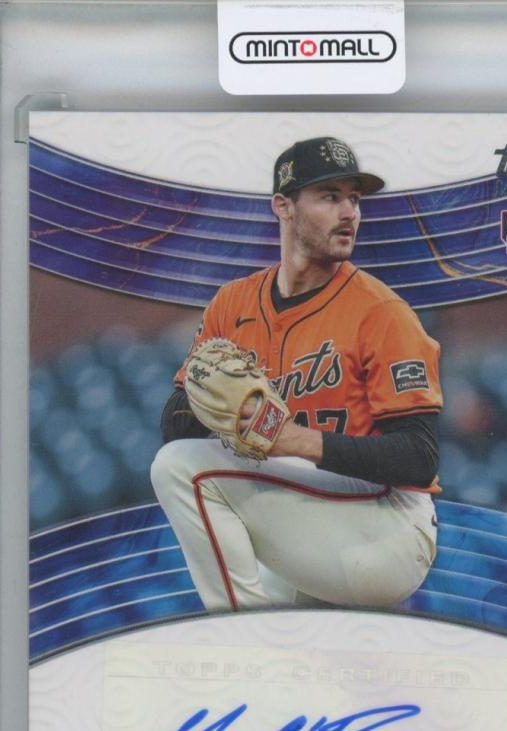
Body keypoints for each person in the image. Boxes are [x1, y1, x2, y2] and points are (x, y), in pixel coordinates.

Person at [151, 136, 442, 612]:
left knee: (179, 468)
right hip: (311, 520)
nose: (349, 213)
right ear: (283, 207)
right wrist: (222, 409)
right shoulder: (233, 303)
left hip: (385, 526)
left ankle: (241, 636)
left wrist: (292, 438)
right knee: (295, 633)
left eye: (354, 198)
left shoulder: (383, 312)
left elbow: (419, 458)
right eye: (329, 197)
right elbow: (176, 423)